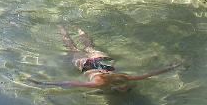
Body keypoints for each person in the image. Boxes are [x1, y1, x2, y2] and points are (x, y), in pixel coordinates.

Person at [28, 26, 181, 92]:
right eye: (124, 88)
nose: (124, 88)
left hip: (102, 60)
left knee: (87, 46)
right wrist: (43, 83)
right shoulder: (99, 83)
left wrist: (171, 67)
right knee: (73, 49)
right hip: (89, 65)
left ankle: (74, 28)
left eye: (125, 88)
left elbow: (151, 73)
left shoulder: (125, 77)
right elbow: (70, 83)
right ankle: (64, 30)